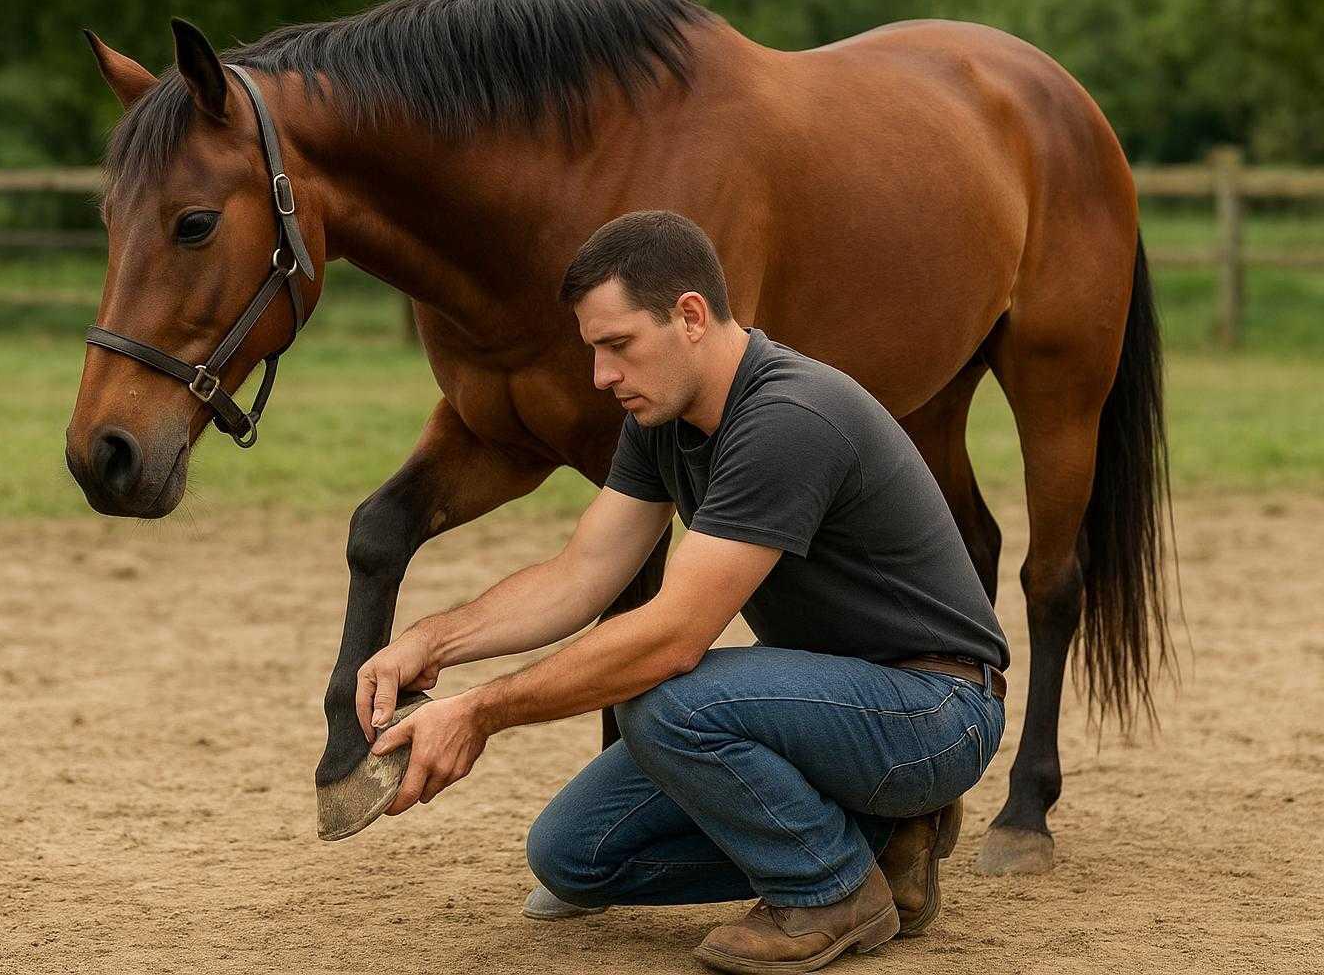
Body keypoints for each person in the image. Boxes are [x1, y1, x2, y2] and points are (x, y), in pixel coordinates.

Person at [355, 210, 1009, 974]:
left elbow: (672, 639)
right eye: (593, 350)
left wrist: (480, 712)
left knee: (668, 700)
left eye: (618, 345)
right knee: (573, 855)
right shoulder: (663, 418)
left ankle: (830, 891)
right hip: (832, 709)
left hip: (935, 711)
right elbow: (580, 574)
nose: (601, 376)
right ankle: (884, 837)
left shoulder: (787, 418)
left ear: (691, 316)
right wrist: (432, 641)